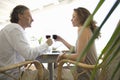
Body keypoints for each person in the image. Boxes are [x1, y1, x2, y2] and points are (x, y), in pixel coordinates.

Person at [0, 5, 53, 80]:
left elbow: (26, 54)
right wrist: (46, 44)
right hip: (12, 76)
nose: (33, 19)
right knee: (46, 73)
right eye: (30, 16)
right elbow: (29, 54)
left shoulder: (10, 29)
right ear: (20, 16)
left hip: (7, 73)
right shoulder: (15, 29)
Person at [54, 7, 100, 80]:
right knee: (60, 69)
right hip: (90, 70)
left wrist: (63, 55)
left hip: (87, 73)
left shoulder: (83, 29)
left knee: (55, 72)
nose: (71, 19)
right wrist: (62, 40)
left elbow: (80, 57)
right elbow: (76, 50)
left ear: (81, 18)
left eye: (74, 16)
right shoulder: (86, 29)